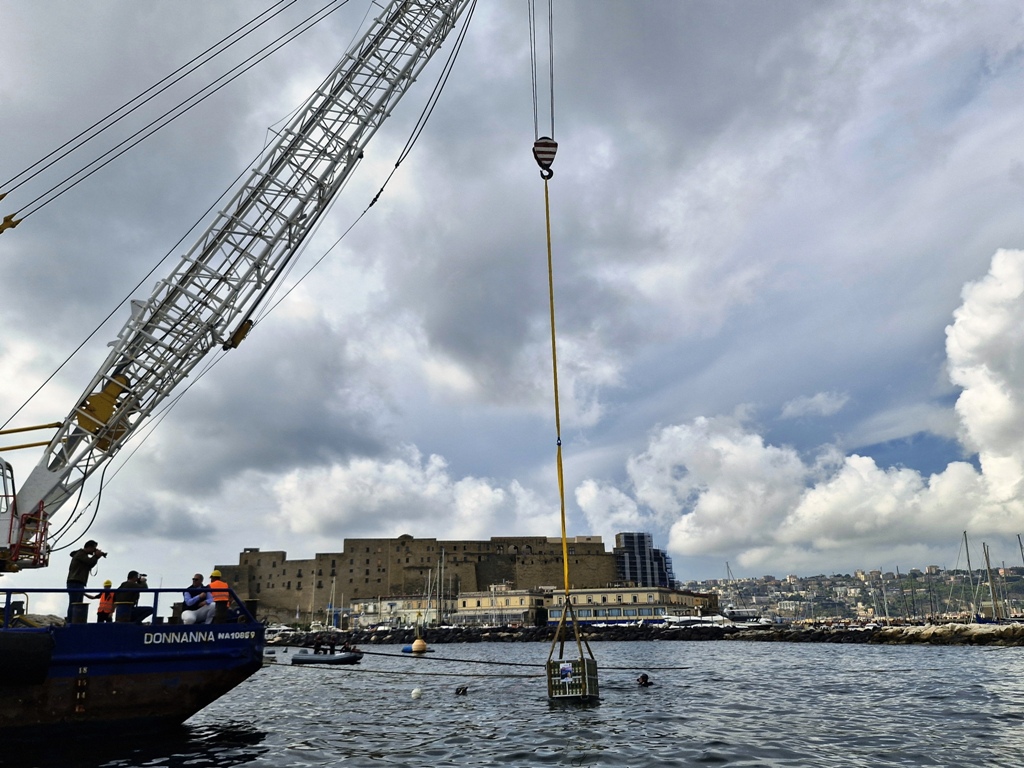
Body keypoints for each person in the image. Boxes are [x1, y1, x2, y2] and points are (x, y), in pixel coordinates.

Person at [66, 539, 105, 619]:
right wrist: (96, 556)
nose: (94, 550)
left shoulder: (82, 555)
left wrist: (96, 557)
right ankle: (71, 620)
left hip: (78, 582)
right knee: (74, 603)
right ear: (89, 547)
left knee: (77, 603)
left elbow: (89, 564)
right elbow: (90, 562)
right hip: (75, 582)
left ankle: (74, 620)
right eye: (94, 548)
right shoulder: (81, 554)